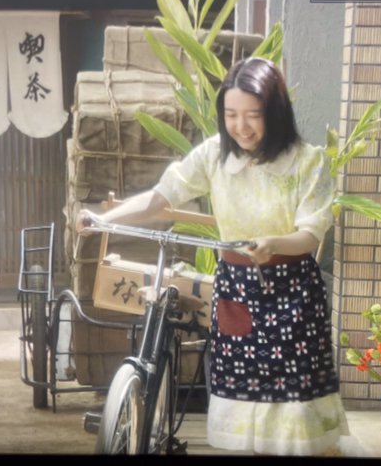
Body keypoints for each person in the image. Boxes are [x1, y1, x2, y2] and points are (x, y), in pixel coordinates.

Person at [77, 57, 354, 456]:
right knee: (244, 401)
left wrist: (273, 243)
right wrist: (103, 219)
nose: (241, 126)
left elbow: (310, 236)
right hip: (237, 288)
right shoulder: (213, 156)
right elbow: (159, 198)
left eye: (253, 115)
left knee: (294, 414)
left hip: (291, 293)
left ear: (275, 112)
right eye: (231, 115)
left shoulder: (307, 161)